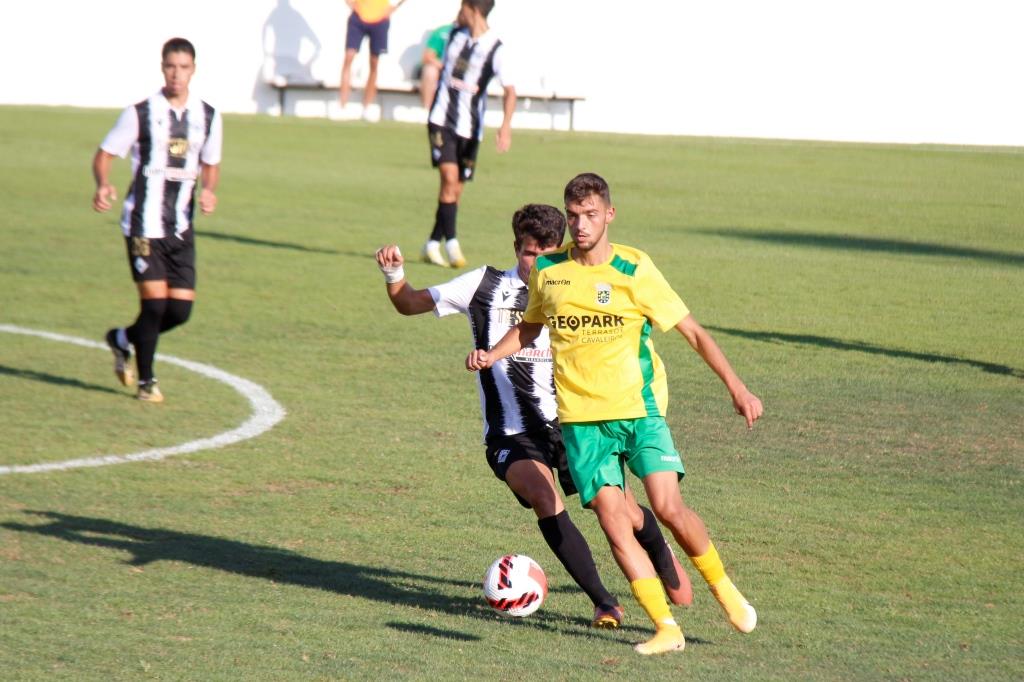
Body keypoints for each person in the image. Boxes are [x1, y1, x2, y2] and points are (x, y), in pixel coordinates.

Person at [466, 173, 763, 656]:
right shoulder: (550, 271)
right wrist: (490, 355)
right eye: (574, 216)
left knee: (667, 507)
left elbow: (693, 332)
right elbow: (530, 327)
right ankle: (666, 628)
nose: (581, 225)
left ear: (609, 214)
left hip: (638, 411)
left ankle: (724, 589)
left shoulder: (634, 268)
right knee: (612, 520)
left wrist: (737, 387)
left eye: (590, 215)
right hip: (582, 423)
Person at [376, 204, 692, 628]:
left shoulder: (574, 285)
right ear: (516, 248)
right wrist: (394, 274)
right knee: (545, 497)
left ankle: (658, 548)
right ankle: (604, 602)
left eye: (546, 253)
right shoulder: (483, 285)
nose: (536, 262)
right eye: (529, 253)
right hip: (511, 433)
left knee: (621, 511)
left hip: (575, 423)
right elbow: (409, 303)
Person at [92, 37, 223, 403]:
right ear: (162, 68)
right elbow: (105, 154)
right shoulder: (140, 113)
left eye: (183, 67)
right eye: (170, 66)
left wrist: (210, 190)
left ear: (193, 70)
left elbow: (211, 164)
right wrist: (103, 184)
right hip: (142, 226)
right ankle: (146, 382)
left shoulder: (208, 116)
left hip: (180, 228)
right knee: (154, 305)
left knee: (179, 311)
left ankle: (122, 339)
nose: (176, 74)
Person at [420, 0, 516, 269]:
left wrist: (505, 126)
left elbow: (510, 91)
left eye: (461, 7)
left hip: (471, 130)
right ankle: (452, 243)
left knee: (455, 191)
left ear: (472, 10)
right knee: (449, 179)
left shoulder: (496, 48)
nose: (457, 12)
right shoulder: (452, 34)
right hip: (441, 121)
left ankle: (432, 243)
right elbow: (431, 57)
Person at [338, 0, 406, 121]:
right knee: (349, 57)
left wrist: (395, 7)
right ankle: (342, 106)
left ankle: (367, 107)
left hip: (380, 20)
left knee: (374, 63)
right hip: (358, 17)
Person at [416, 21, 454, 110]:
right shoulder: (443, 32)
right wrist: (445, 66)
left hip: (458, 71)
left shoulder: (472, 35)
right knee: (430, 71)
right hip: (439, 69)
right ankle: (427, 110)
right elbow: (427, 57)